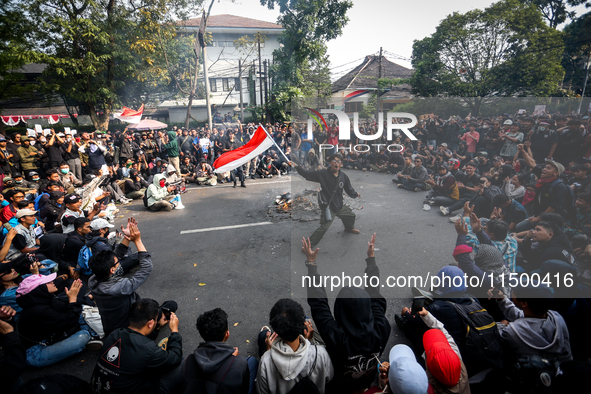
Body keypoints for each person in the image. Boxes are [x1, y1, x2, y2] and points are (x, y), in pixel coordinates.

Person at [302, 234, 390, 393]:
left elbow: (319, 304)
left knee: (307, 323)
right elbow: (375, 294)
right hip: (366, 380)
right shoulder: (382, 327)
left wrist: (311, 263)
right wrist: (371, 260)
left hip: (339, 383)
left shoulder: (335, 335)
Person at [90, 298, 184, 394]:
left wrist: (156, 328)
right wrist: (174, 331)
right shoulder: (148, 349)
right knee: (183, 363)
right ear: (151, 323)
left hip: (97, 388)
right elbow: (176, 356)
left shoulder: (115, 334)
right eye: (156, 320)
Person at [16, 272, 102, 367]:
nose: (53, 282)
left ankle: (91, 334)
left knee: (79, 309)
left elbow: (66, 308)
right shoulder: (39, 310)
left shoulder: (46, 299)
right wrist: (73, 298)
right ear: (40, 289)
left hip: (50, 335)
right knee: (83, 336)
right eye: (48, 282)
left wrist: (72, 298)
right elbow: (69, 320)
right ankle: (90, 335)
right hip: (34, 353)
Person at [256, 298, 334, 394]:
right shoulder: (321, 354)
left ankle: (263, 334)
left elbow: (262, 391)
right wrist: (308, 341)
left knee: (264, 335)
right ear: (301, 323)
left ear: (275, 327)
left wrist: (268, 351)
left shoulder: (266, 361)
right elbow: (330, 381)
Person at [291, 153, 361, 249]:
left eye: (338, 162)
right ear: (330, 163)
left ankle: (348, 228)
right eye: (334, 161)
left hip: (339, 205)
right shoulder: (322, 174)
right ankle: (308, 245)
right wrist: (297, 167)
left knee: (351, 215)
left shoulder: (343, 176)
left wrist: (355, 194)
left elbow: (349, 188)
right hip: (329, 207)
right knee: (324, 227)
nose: (336, 164)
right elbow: (307, 174)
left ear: (341, 164)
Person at [182, 308, 257, 394]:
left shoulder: (187, 362)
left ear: (202, 335)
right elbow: (243, 389)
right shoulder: (240, 364)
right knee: (252, 361)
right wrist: (234, 361)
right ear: (227, 334)